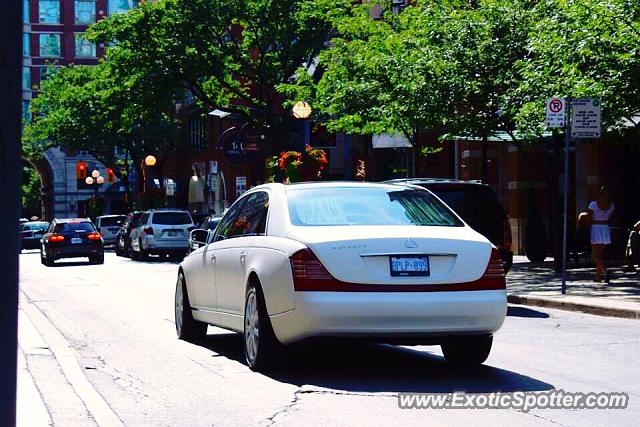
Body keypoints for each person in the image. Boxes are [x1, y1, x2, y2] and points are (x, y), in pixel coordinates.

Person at [587, 186, 614, 282]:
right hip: (605, 228)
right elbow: (609, 217)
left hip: (596, 228)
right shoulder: (611, 205)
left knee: (596, 255)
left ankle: (605, 272)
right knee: (600, 254)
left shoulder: (592, 205)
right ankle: (598, 276)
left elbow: (589, 219)